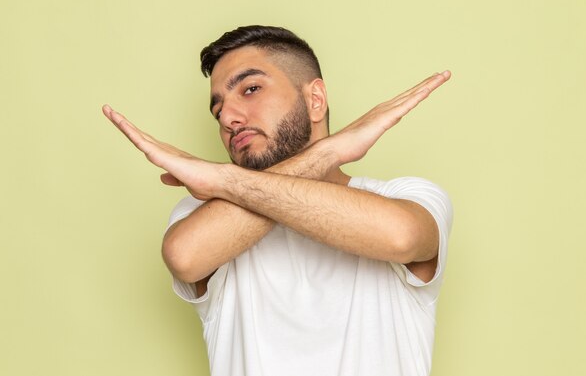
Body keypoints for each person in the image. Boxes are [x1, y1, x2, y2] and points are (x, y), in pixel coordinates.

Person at [102, 25, 453, 376]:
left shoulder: (406, 196)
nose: (227, 118)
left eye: (251, 89)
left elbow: (401, 236)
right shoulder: (203, 214)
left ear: (315, 100)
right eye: (218, 109)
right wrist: (328, 152)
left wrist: (221, 177)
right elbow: (185, 255)